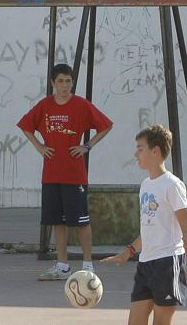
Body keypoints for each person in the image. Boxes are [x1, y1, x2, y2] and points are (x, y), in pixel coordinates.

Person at [17, 63, 113, 281]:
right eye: (60, 81)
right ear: (53, 83)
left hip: (74, 173)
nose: (64, 85)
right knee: (57, 222)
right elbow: (25, 125)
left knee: (80, 222)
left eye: (68, 81)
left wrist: (86, 146)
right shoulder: (45, 105)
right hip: (51, 173)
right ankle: (62, 266)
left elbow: (106, 125)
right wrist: (40, 146)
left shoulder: (81, 105)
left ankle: (88, 265)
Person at [103, 125, 187, 324]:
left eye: (140, 148)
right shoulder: (146, 185)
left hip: (168, 263)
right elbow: (150, 227)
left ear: (155, 151)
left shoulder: (172, 185)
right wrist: (129, 251)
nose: (135, 154)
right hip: (145, 263)